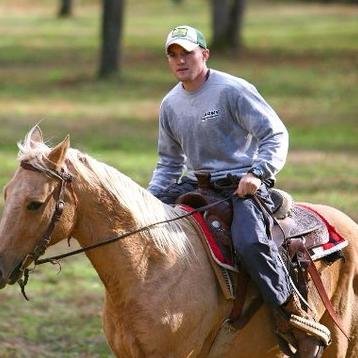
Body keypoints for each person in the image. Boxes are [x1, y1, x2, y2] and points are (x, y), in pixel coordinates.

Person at [148, 25, 327, 357]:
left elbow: (274, 134)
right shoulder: (170, 104)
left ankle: (296, 318)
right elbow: (169, 161)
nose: (180, 60)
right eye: (173, 54)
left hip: (240, 186)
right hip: (196, 184)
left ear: (205, 54)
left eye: (187, 52)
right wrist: (151, 198)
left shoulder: (232, 90)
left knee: (250, 243)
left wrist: (258, 173)